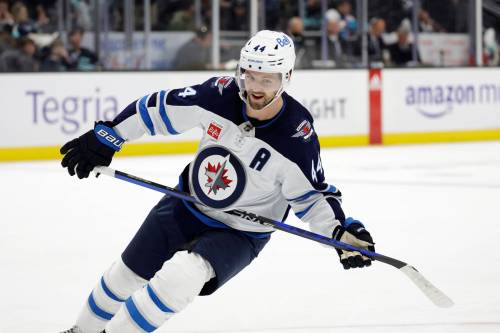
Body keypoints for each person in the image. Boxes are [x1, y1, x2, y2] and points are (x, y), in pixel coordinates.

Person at [59, 30, 376, 333]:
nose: (255, 86)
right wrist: (111, 135)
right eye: (250, 74)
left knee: (180, 278)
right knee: (124, 276)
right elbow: (159, 108)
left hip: (240, 233)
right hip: (185, 204)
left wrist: (340, 232)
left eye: (267, 79)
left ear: (287, 78)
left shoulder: (296, 137)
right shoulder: (219, 95)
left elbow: (312, 197)